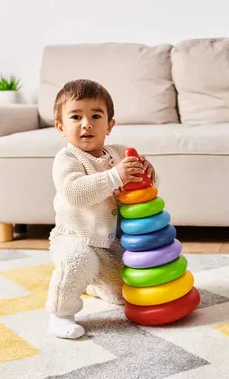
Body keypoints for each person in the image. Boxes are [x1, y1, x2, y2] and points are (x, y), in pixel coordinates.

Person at [45, 79, 157, 339]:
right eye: (76, 116)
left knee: (125, 295)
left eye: (96, 115)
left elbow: (143, 194)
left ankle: (94, 284)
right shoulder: (68, 159)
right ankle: (60, 313)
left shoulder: (119, 153)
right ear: (61, 128)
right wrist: (115, 177)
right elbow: (75, 192)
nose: (86, 123)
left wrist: (149, 175)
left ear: (109, 125)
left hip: (112, 244)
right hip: (75, 239)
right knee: (79, 261)